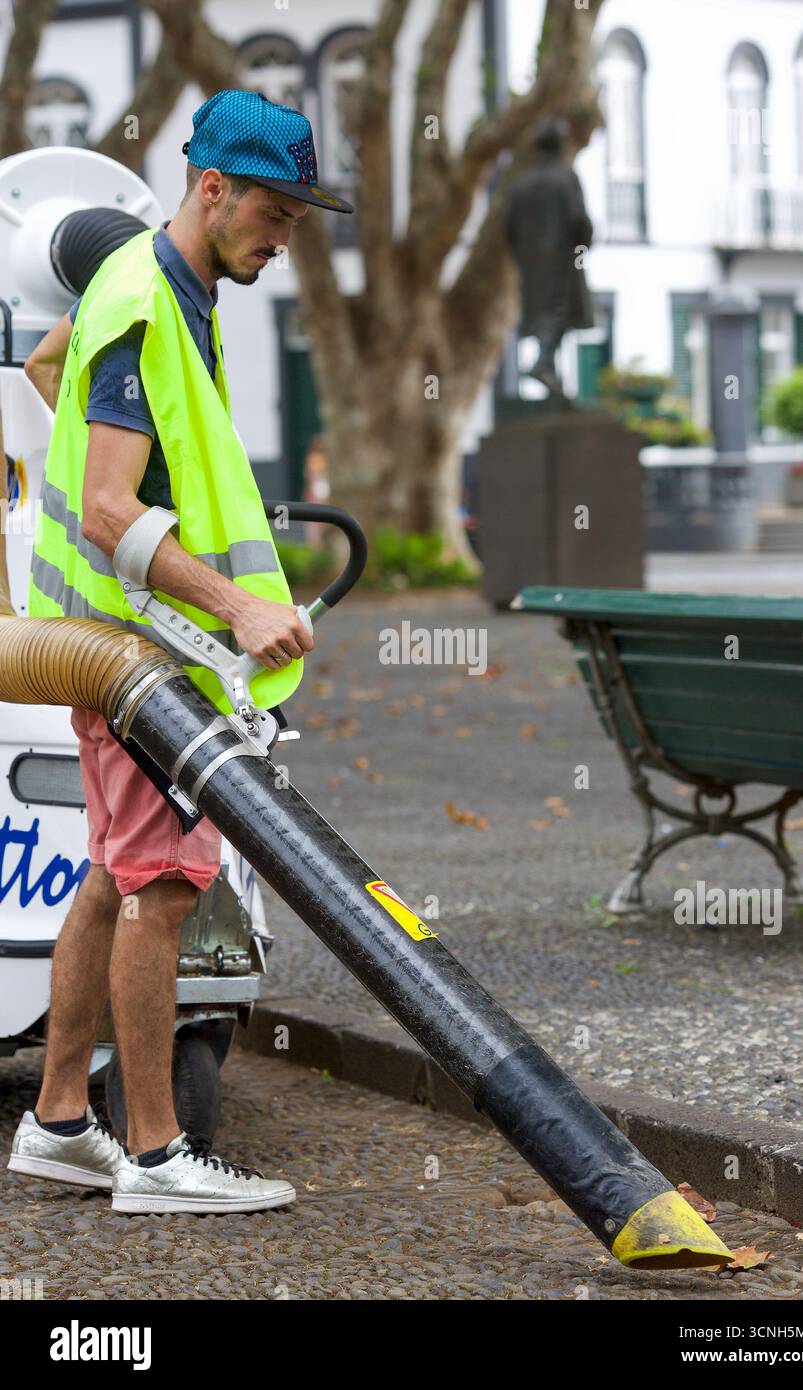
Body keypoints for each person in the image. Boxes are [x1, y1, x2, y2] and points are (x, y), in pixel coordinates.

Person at [9, 90, 353, 1215]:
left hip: (112, 645)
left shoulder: (143, 280)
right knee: (161, 889)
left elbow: (50, 366)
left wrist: (123, 506)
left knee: (112, 872)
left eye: (299, 217)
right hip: (139, 657)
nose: (285, 234)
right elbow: (109, 508)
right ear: (212, 188)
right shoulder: (157, 302)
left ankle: (61, 1122)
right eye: (275, 210)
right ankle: (156, 1155)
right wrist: (234, 607)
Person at [504, 119, 595, 396]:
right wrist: (583, 245)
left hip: (531, 264)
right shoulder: (564, 177)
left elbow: (508, 227)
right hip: (560, 260)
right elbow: (579, 219)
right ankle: (543, 364)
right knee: (559, 312)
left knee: (545, 313)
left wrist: (523, 256)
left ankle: (551, 374)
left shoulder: (520, 184)